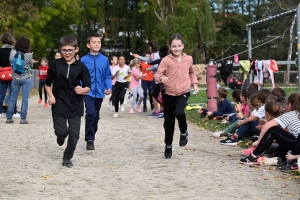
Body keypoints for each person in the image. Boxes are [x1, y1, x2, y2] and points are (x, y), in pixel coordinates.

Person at [45, 35, 91, 167]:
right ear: (60, 50)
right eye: (64, 50)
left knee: (74, 135)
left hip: (75, 104)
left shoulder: (81, 67)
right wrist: (50, 96)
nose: (67, 53)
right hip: (58, 102)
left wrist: (83, 90)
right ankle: (60, 136)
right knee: (62, 132)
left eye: (70, 50)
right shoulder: (55, 65)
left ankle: (67, 157)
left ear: (76, 49)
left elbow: (88, 86)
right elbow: (47, 84)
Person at [154, 34, 199, 158]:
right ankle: (168, 146)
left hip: (183, 91)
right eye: (174, 46)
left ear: (183, 46)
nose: (177, 48)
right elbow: (157, 75)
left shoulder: (188, 59)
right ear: (170, 47)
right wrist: (162, 78)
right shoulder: (166, 60)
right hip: (169, 94)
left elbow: (191, 72)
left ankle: (184, 131)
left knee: (179, 112)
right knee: (169, 122)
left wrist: (194, 83)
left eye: (179, 46)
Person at [240, 93, 300, 169]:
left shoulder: (291, 114)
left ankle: (254, 156)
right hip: (296, 145)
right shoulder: (297, 114)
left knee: (273, 130)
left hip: (296, 143)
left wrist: (259, 141)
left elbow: (268, 125)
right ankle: (281, 160)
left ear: (290, 104)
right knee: (278, 150)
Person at [81, 33, 112, 150]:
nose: (97, 44)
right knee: (90, 113)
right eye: (94, 42)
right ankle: (89, 139)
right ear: (88, 45)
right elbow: (79, 76)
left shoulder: (104, 60)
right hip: (87, 92)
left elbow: (107, 76)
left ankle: (92, 132)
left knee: (96, 116)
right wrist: (81, 88)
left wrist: (108, 87)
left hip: (99, 92)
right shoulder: (83, 60)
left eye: (99, 42)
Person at [6, 37, 33, 124]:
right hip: (26, 78)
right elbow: (31, 65)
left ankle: (9, 117)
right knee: (25, 98)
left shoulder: (12, 53)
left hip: (15, 78)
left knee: (13, 97)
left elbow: (11, 64)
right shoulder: (29, 55)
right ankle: (23, 118)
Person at [132, 41, 160, 115]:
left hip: (157, 76)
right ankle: (161, 110)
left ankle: (157, 111)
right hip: (159, 75)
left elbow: (156, 66)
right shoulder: (157, 54)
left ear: (150, 47)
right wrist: (138, 56)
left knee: (154, 93)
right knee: (159, 93)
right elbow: (148, 60)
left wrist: (148, 69)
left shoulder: (154, 55)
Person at [0, 32, 19, 118]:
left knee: (2, 93)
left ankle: (0, 111)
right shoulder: (14, 51)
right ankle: (13, 111)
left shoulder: (0, 51)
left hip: (2, 74)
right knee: (13, 93)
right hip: (12, 73)